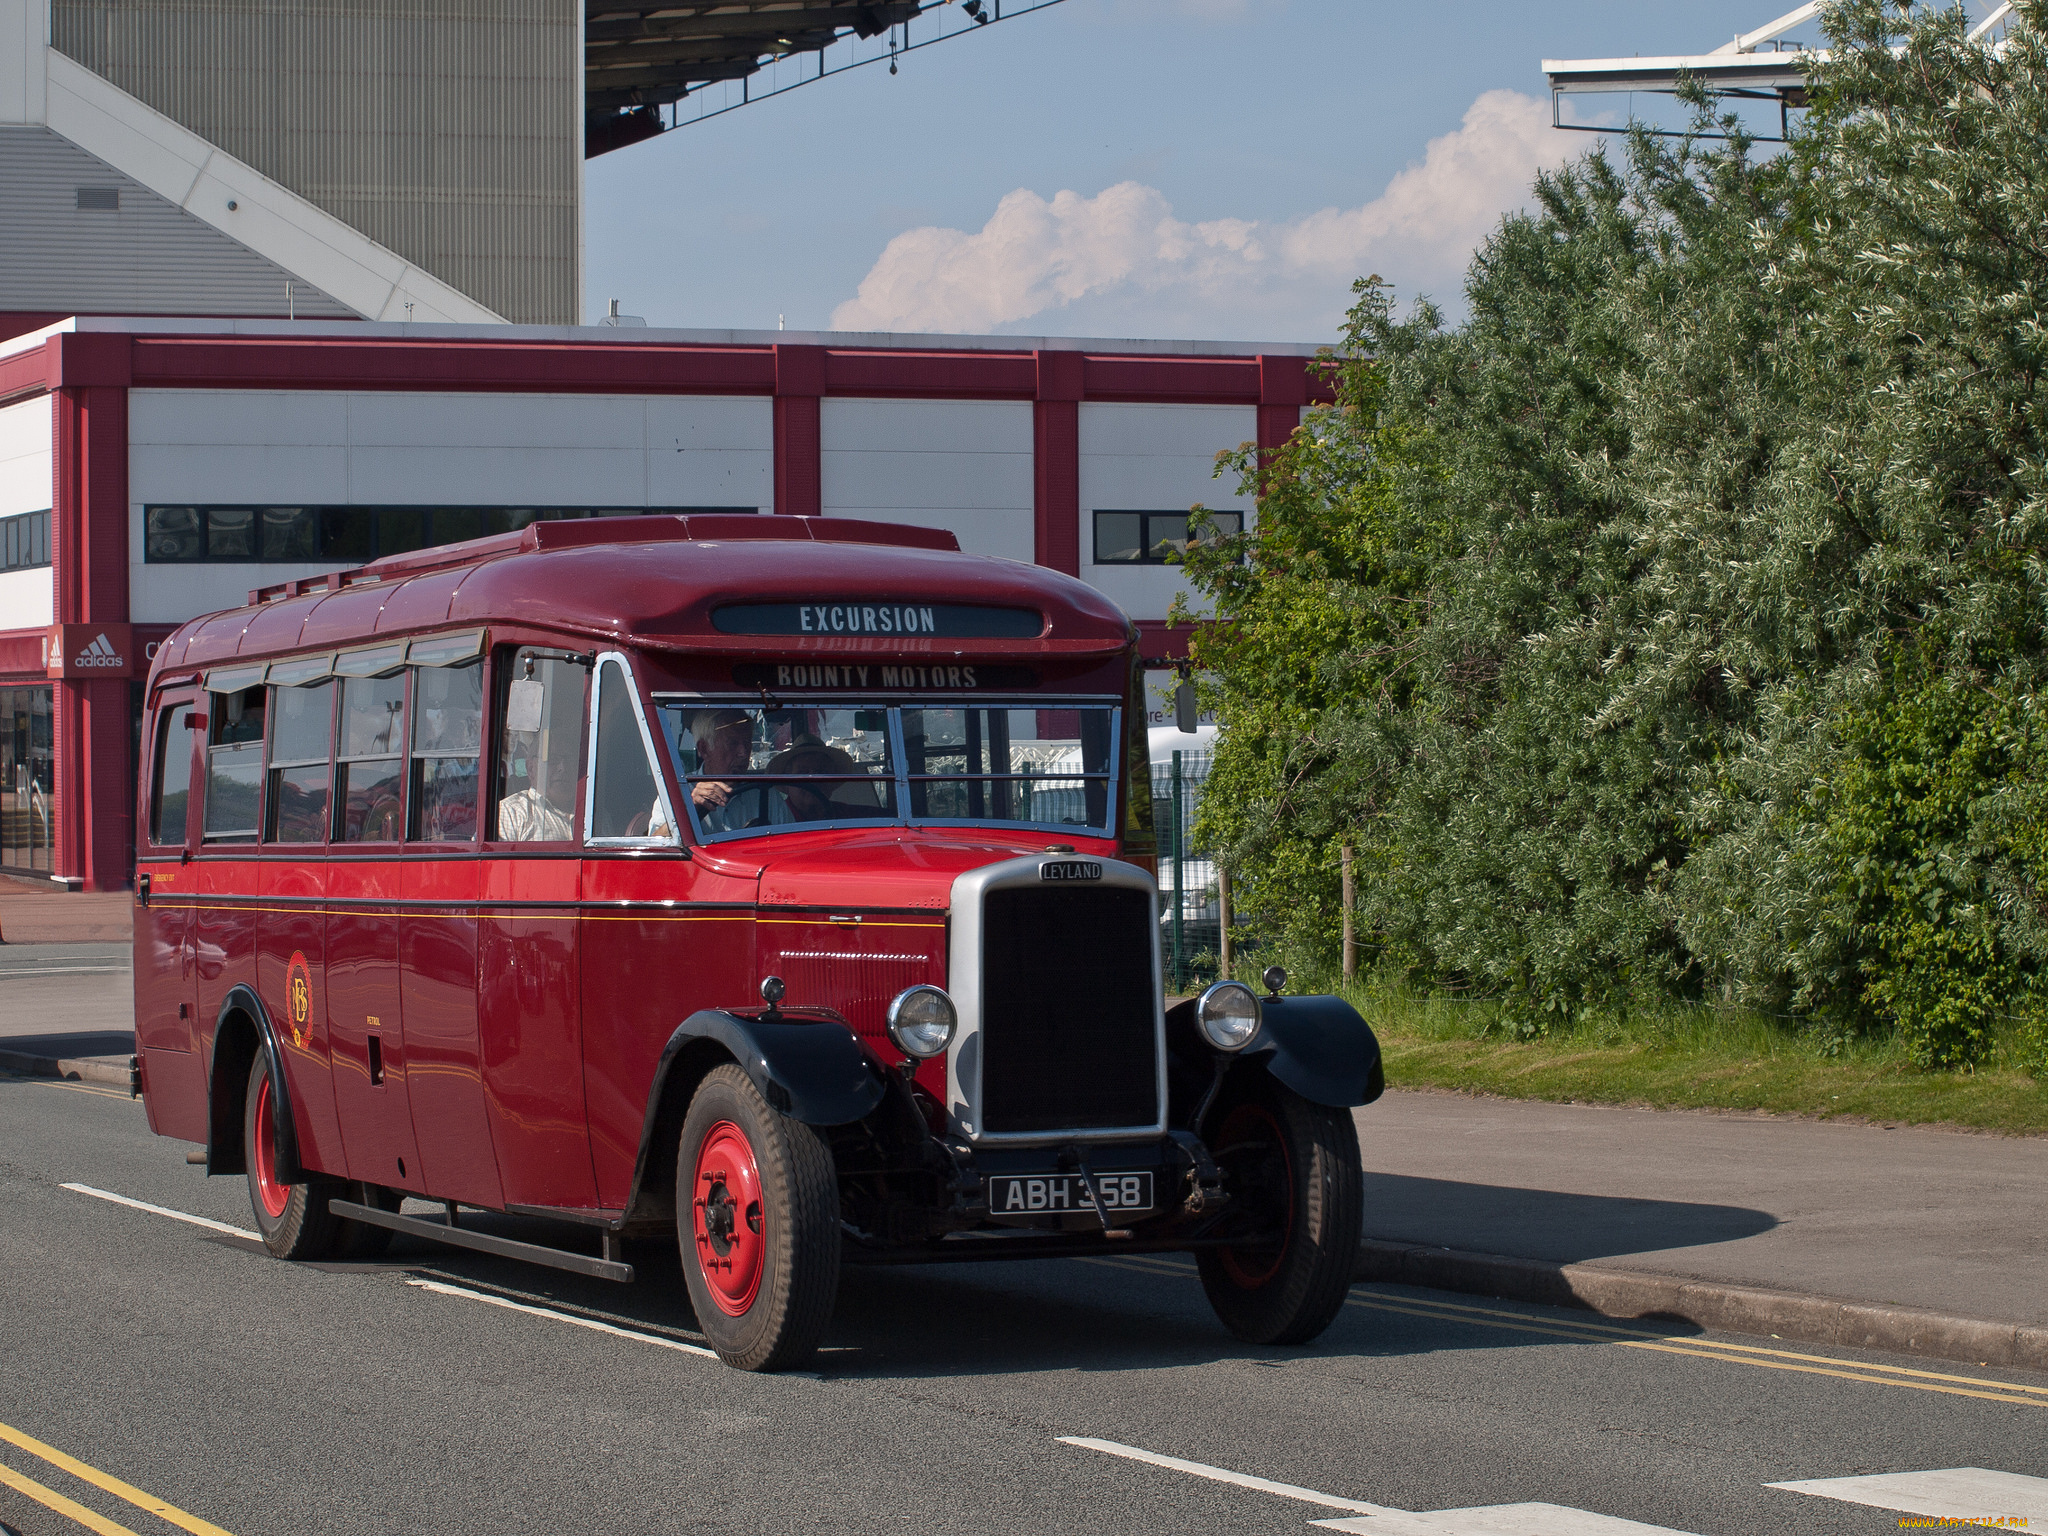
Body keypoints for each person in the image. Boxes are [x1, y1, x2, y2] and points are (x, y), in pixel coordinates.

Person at [497, 746, 575, 841]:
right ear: (531, 768)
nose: (563, 768)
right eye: (553, 759)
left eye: (570, 760)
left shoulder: (592, 810)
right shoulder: (511, 812)